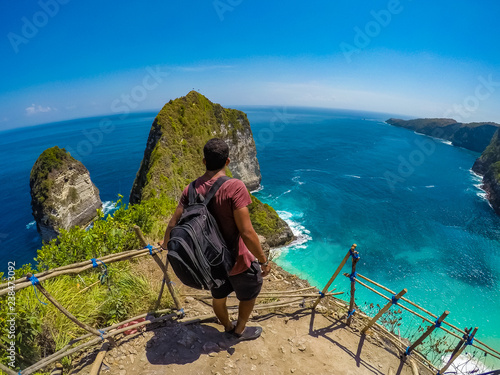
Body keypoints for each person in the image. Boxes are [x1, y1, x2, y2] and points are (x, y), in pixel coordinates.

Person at [161, 138, 271, 341]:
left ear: (204, 161)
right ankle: (239, 330)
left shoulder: (190, 189)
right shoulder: (235, 187)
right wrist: (263, 260)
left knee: (218, 297)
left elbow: (173, 223)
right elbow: (246, 232)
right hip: (237, 260)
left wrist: (165, 244)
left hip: (210, 263)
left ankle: (227, 326)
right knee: (250, 292)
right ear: (228, 161)